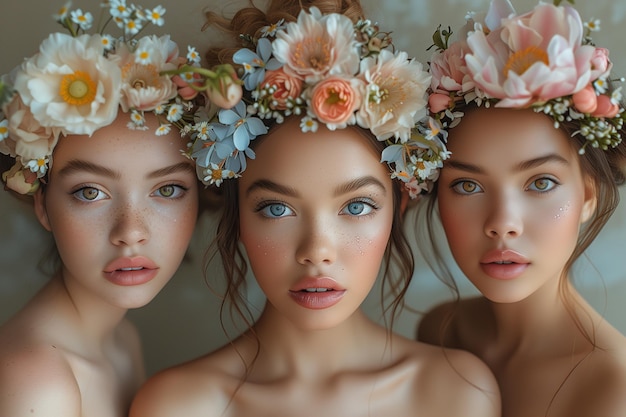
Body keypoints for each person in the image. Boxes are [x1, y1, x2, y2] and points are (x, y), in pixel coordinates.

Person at [129, 2, 501, 416]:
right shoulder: (178, 406)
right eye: (275, 209)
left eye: (356, 206)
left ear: (401, 202)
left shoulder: (455, 393)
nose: (317, 250)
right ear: (235, 213)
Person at [0, 2, 240, 416]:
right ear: (42, 204)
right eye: (90, 193)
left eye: (167, 189)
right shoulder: (37, 381)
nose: (131, 231)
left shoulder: (120, 340)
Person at [415, 0, 626, 416]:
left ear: (587, 196)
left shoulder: (612, 389)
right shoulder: (441, 330)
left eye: (540, 183)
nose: (502, 224)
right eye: (468, 185)